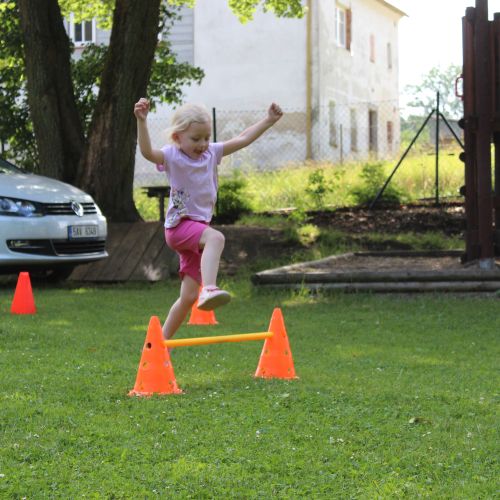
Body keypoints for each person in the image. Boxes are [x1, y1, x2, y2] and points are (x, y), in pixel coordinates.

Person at [134, 98, 283, 340]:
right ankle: (210, 288)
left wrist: (268, 120)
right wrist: (142, 121)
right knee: (216, 238)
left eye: (206, 137)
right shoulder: (172, 155)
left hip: (197, 230)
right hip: (179, 227)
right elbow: (147, 152)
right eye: (196, 139)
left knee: (188, 298)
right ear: (177, 137)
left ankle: (158, 346)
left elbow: (243, 138)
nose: (203, 144)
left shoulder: (211, 153)